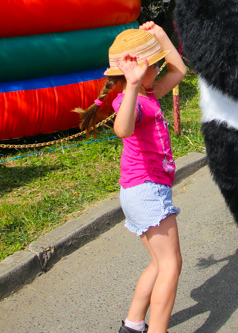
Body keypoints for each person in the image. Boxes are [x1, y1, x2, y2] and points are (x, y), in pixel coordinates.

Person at [76, 22, 187, 333]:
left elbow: (179, 72)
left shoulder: (148, 93)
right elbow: (122, 129)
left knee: (158, 262)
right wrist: (135, 84)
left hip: (144, 190)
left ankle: (133, 324)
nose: (159, 67)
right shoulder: (133, 99)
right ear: (139, 71)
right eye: (155, 63)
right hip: (146, 190)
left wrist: (161, 35)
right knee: (170, 265)